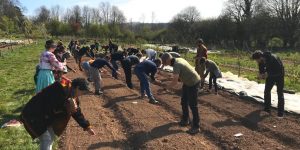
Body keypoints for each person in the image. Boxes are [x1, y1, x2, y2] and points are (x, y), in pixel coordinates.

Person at [20, 78, 95, 150]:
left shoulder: (72, 94)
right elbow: (48, 107)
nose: (82, 95)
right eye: (83, 92)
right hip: (33, 114)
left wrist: (87, 126)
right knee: (46, 139)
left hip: (45, 116)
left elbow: (76, 112)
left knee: (51, 136)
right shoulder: (57, 89)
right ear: (77, 88)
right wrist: (66, 107)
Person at [161, 53, 201, 134]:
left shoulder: (176, 65)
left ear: (168, 60)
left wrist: (166, 88)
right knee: (184, 101)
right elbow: (178, 76)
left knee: (193, 105)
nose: (164, 64)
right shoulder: (177, 59)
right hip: (187, 82)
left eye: (164, 62)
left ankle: (196, 127)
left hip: (193, 82)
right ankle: (185, 120)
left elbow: (175, 81)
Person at [252, 50, 285, 118]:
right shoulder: (261, 61)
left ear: (261, 57)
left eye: (256, 60)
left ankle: (280, 113)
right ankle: (267, 109)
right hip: (270, 76)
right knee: (266, 91)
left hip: (279, 75)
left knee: (280, 93)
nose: (256, 61)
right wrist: (260, 76)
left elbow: (278, 71)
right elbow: (262, 71)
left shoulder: (273, 58)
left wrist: (267, 75)